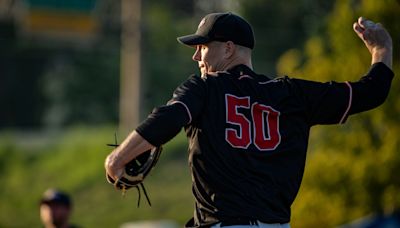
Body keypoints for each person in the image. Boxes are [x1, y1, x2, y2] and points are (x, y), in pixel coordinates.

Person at [105, 12, 393, 228]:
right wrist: (381, 50)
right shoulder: (291, 95)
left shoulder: (205, 88)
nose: (196, 56)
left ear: (229, 48)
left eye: (203, 46)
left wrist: (117, 159)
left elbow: (167, 118)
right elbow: (371, 92)